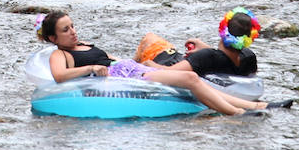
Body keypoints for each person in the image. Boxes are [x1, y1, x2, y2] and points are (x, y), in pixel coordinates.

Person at [35, 12, 279, 116]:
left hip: (131, 69)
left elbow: (109, 59)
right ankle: (237, 113)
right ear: (53, 38)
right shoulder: (60, 53)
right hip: (124, 80)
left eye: (73, 26)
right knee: (191, 79)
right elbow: (58, 76)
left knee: (197, 81)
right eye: (66, 30)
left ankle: (257, 105)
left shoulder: (85, 44)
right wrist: (90, 69)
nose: (73, 32)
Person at [137, 8, 261, 78]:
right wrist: (204, 48)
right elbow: (226, 59)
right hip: (196, 62)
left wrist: (149, 64)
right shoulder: (249, 57)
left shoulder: (206, 57)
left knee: (149, 38)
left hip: (167, 61)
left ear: (223, 30)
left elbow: (168, 71)